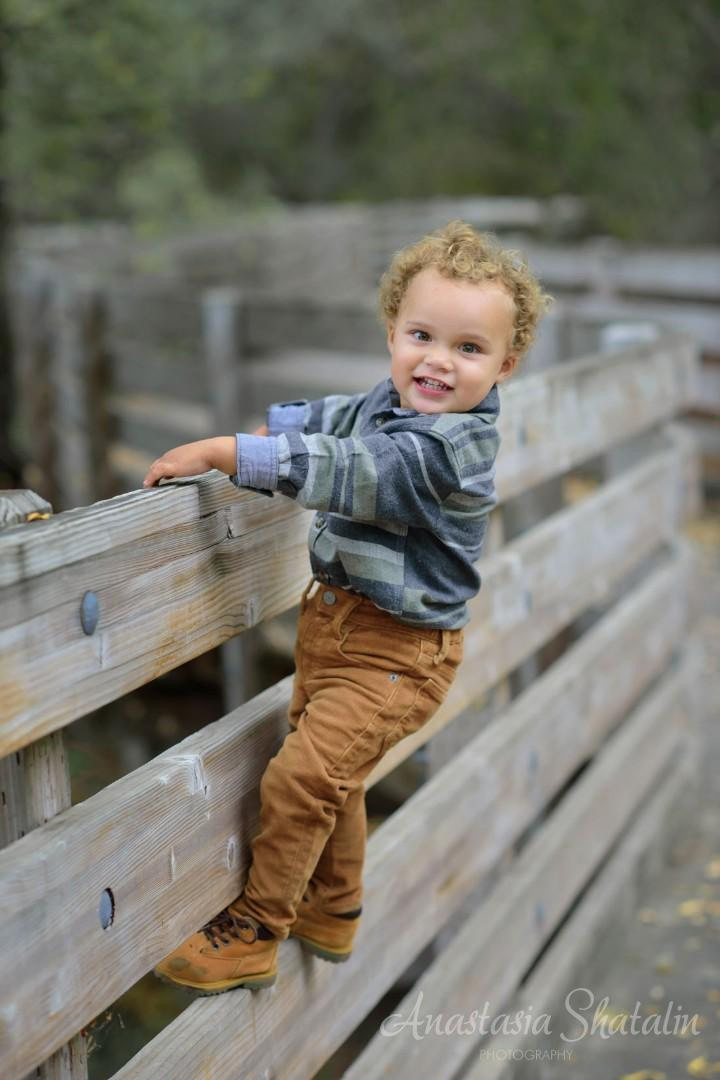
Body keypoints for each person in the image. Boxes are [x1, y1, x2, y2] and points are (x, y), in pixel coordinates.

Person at [143, 220, 551, 994]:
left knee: (301, 778)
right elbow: (340, 418)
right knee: (333, 777)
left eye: (468, 349)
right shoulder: (391, 400)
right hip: (334, 627)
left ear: (507, 364)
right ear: (392, 332)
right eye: (421, 335)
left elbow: (359, 470)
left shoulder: (449, 446)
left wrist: (234, 453)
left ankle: (258, 928)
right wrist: (281, 428)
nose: (437, 360)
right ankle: (333, 909)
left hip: (400, 654)